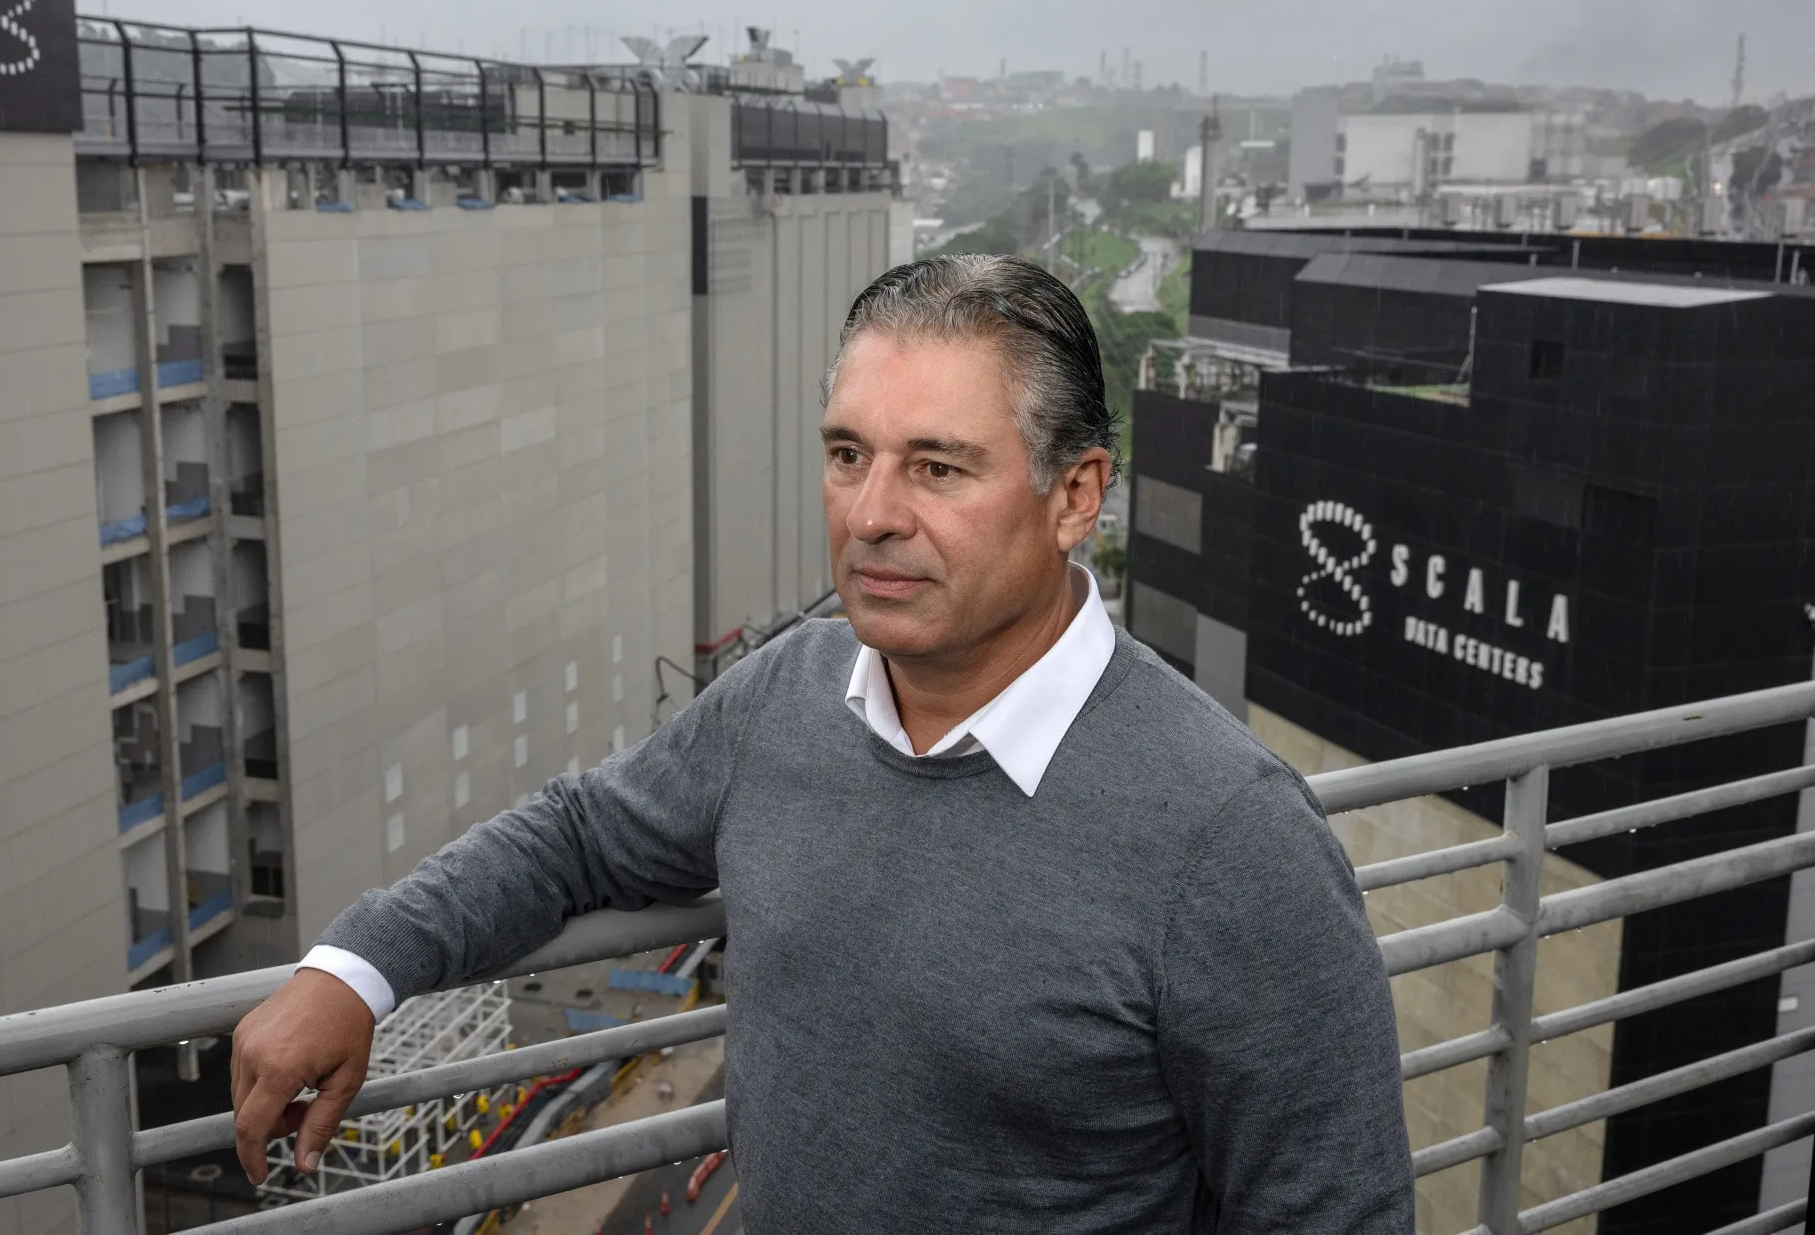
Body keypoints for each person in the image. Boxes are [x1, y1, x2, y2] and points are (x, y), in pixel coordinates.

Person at [231, 255, 1414, 1231]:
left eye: (937, 467)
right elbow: (583, 831)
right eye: (847, 453)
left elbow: (1331, 1210)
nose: (870, 513)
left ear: (1073, 495)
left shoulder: (1228, 838)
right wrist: (357, 966)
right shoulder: (791, 690)